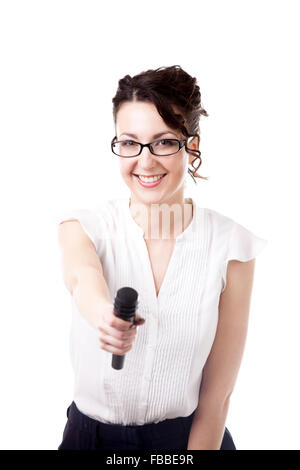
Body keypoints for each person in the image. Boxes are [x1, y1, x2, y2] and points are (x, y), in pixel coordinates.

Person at [56, 65, 267, 450]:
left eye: (165, 142)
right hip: (90, 440)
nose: (146, 161)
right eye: (130, 142)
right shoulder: (84, 227)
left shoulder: (232, 247)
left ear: (192, 146)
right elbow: (83, 277)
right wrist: (106, 316)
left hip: (189, 441)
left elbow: (216, 398)